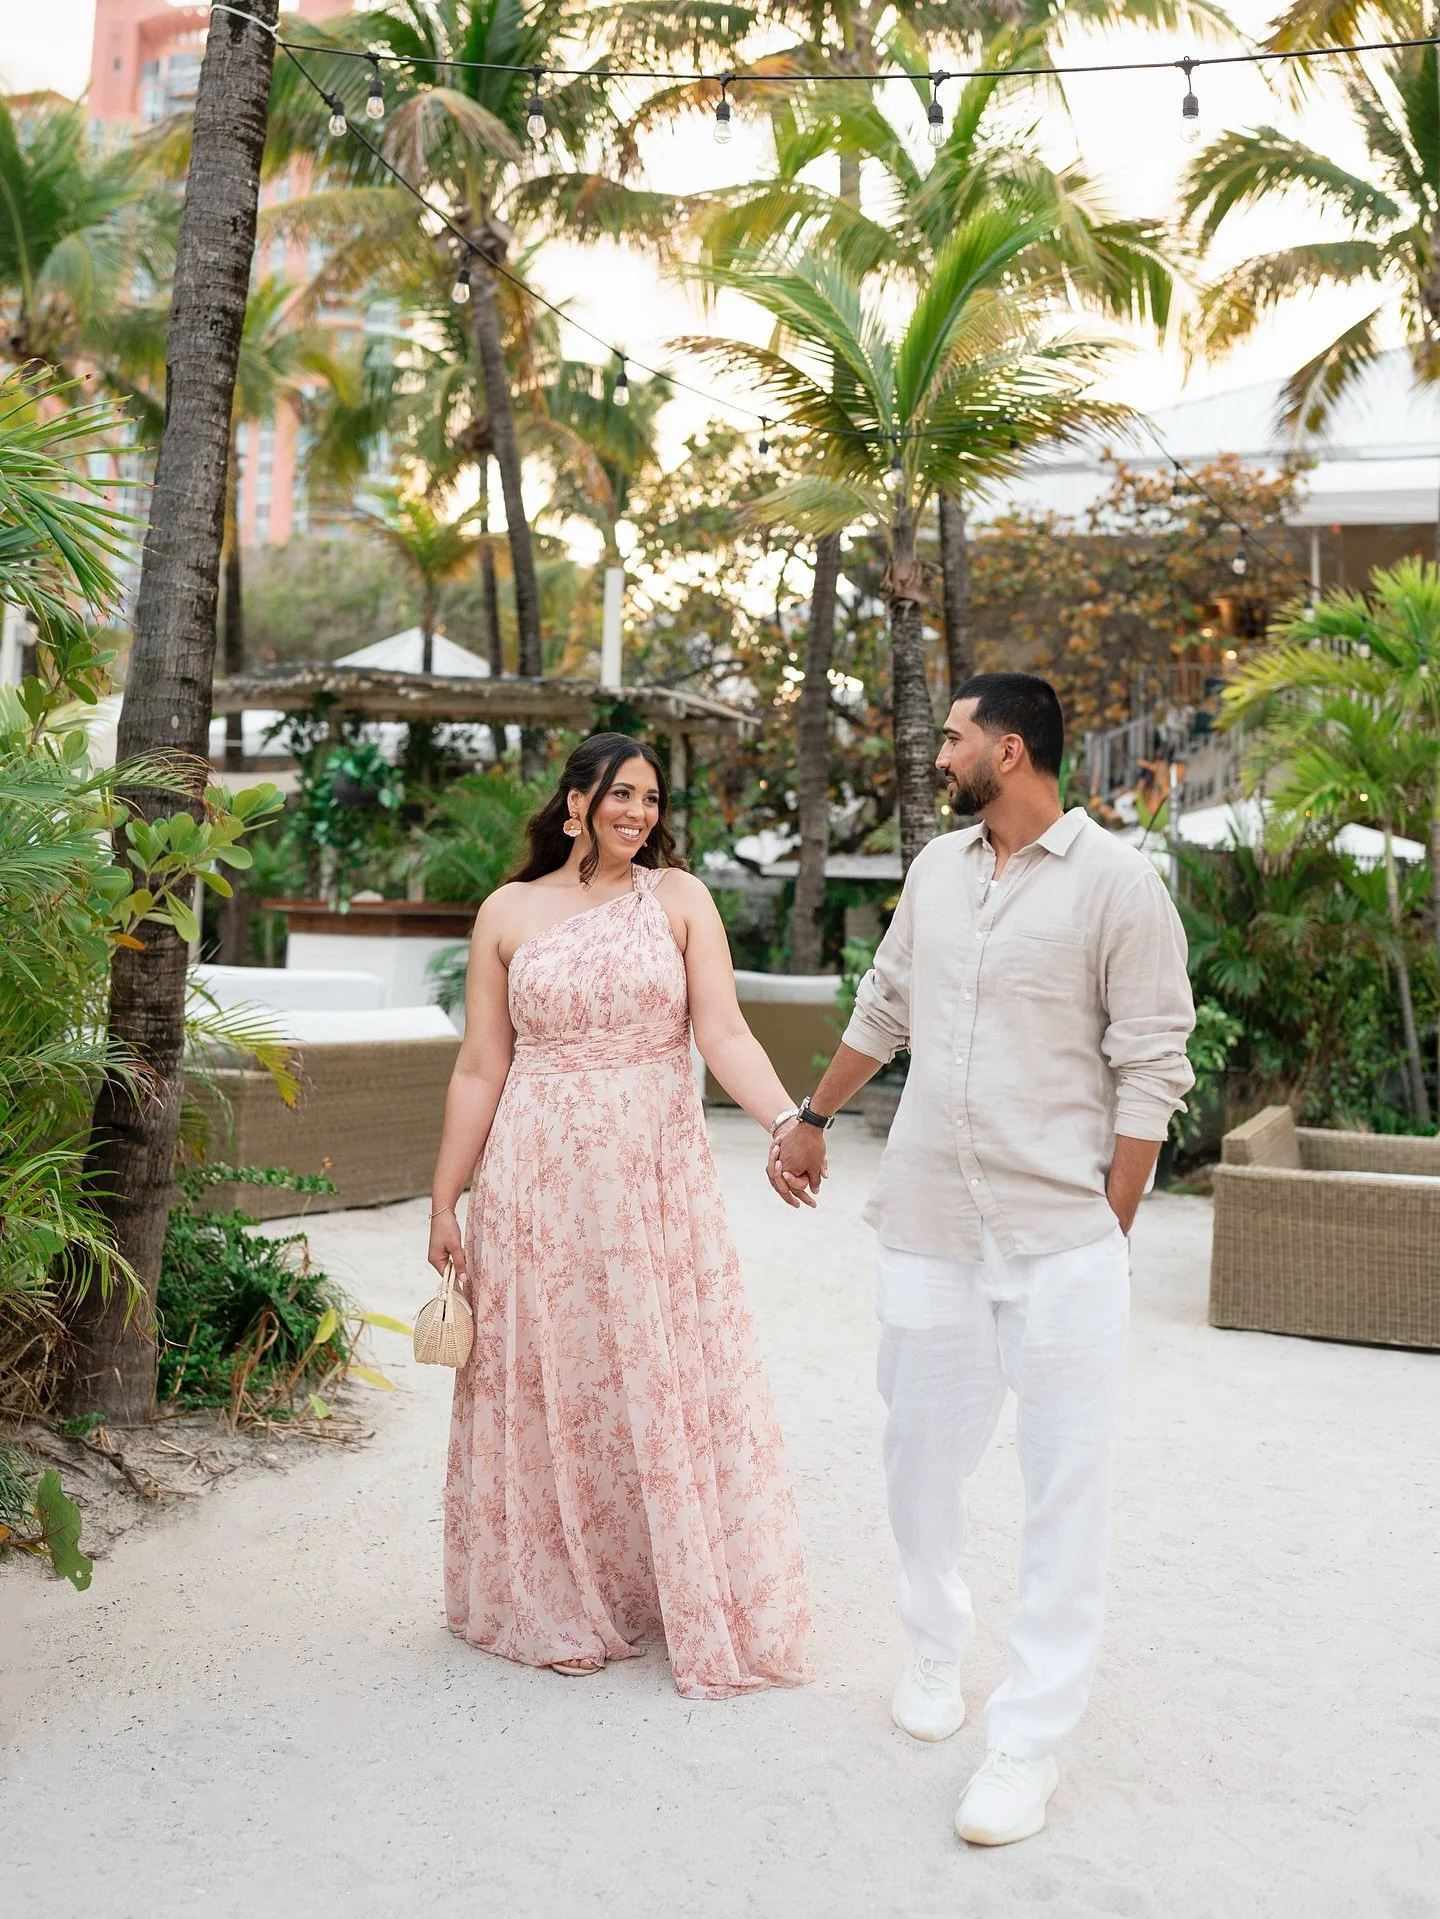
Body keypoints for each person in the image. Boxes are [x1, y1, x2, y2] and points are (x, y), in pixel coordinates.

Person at [770, 674, 1194, 1845]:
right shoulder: (935, 872)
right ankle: (934, 1641)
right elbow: (887, 999)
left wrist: (1109, 1219)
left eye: (954, 736)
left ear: (1008, 751)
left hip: (1061, 1240)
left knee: (1066, 1496)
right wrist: (811, 1112)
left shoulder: (1118, 882)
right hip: (929, 1224)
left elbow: (1155, 1059)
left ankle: (1029, 1738)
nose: (938, 751)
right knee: (918, 1457)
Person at [430, 733, 811, 1701]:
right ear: (574, 803)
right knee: (553, 1373)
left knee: (648, 1363)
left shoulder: (678, 900)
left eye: (650, 797)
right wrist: (446, 1196)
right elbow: (482, 1062)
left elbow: (721, 1028)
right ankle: (556, 1587)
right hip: (534, 1178)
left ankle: (658, 1581)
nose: (638, 812)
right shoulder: (507, 913)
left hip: (650, 1177)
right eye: (620, 794)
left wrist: (784, 1119)